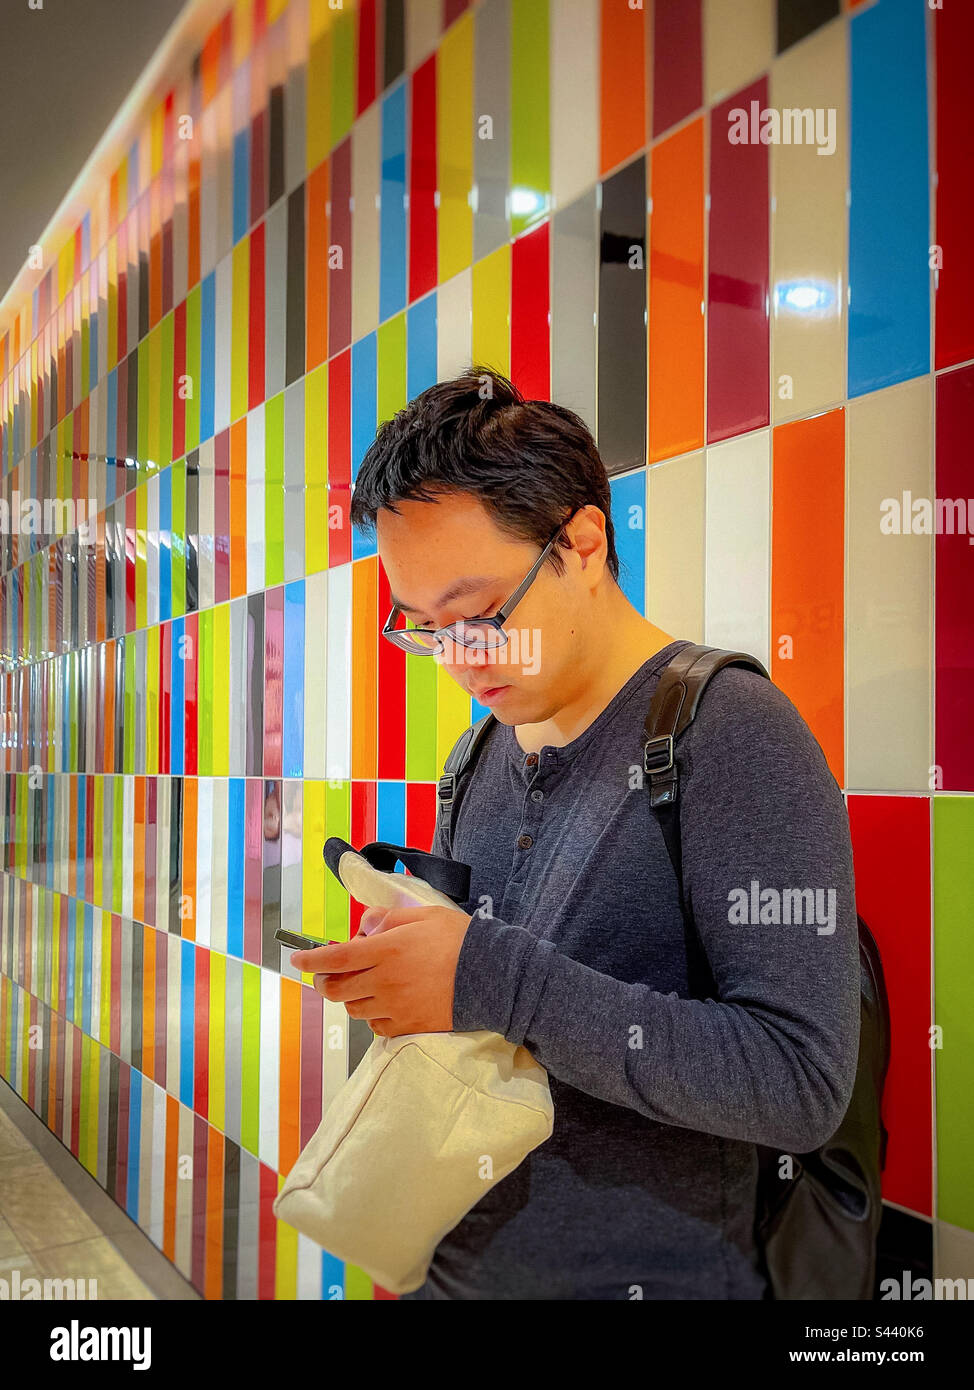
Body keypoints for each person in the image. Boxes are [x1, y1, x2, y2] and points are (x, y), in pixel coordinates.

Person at [290, 365, 861, 1300]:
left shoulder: (730, 733)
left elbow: (798, 1083)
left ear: (583, 543)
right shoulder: (484, 747)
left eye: (479, 616)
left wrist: (486, 976)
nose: (459, 661)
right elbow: (497, 1021)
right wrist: (417, 967)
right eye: (423, 626)